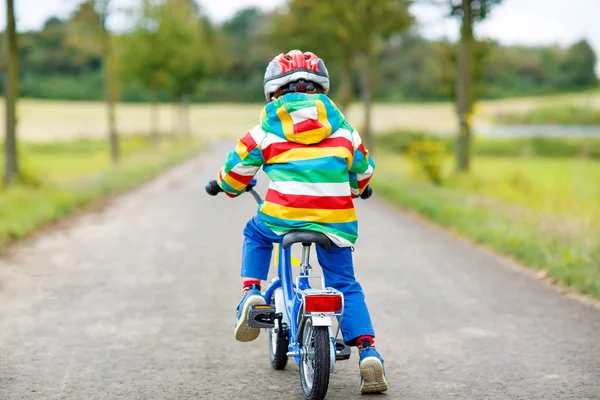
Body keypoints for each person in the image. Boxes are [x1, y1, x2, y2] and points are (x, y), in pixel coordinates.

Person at [215, 49, 387, 394]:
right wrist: (357, 188)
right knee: (345, 282)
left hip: (283, 217)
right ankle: (368, 351)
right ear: (321, 90)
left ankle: (252, 292)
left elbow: (236, 172)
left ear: (273, 92)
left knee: (256, 232)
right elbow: (364, 170)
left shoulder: (266, 128)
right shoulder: (343, 128)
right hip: (335, 222)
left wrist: (223, 184)